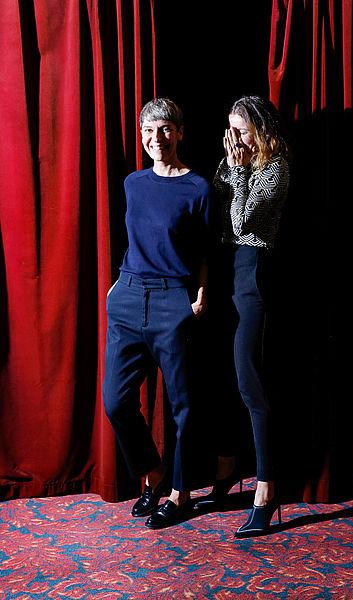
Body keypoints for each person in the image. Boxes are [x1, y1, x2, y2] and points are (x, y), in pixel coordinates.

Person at [103, 98, 210, 529]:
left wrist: (200, 295)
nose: (156, 139)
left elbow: (204, 250)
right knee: (116, 401)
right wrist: (117, 286)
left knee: (184, 405)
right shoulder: (133, 183)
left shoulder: (197, 188)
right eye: (148, 131)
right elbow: (136, 237)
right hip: (128, 296)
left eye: (164, 129)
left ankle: (180, 493)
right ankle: (153, 473)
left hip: (172, 299)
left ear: (180, 132)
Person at [196, 96, 289, 537]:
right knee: (217, 377)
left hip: (253, 273)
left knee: (249, 381)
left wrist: (237, 171)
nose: (233, 138)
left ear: (260, 129)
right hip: (223, 273)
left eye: (241, 129)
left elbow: (243, 221)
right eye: (230, 129)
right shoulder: (228, 162)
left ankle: (267, 489)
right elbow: (214, 216)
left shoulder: (276, 167)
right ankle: (227, 466)